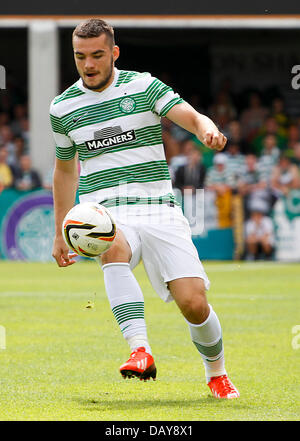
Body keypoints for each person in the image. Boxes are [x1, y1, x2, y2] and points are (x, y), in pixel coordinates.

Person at [50, 18, 239, 399]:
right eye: (80, 56)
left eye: (98, 55)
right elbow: (65, 170)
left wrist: (205, 129)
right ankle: (140, 350)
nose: (88, 64)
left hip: (159, 209)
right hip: (105, 210)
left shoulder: (143, 86)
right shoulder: (63, 107)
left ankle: (216, 372)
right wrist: (59, 231)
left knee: (193, 303)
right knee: (111, 245)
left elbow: (188, 114)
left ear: (114, 53)